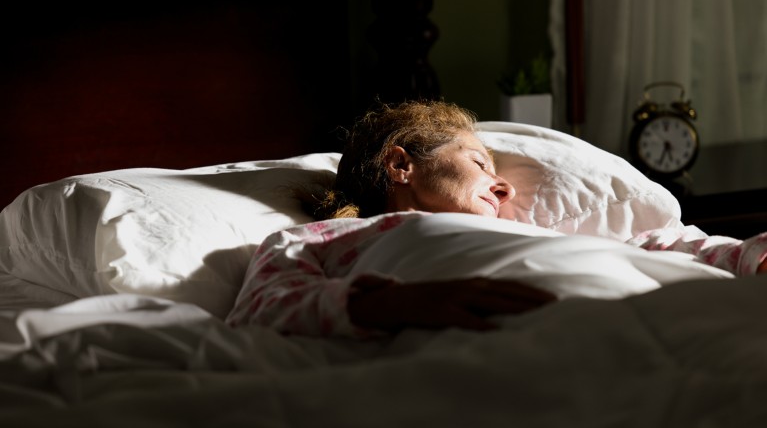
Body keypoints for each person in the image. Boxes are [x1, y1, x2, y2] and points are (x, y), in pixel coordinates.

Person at [226, 100, 767, 337]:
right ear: (400, 164)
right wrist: (388, 303)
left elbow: (657, 248)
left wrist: (750, 256)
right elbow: (262, 307)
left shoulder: (532, 234)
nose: (503, 184)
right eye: (480, 163)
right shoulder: (329, 238)